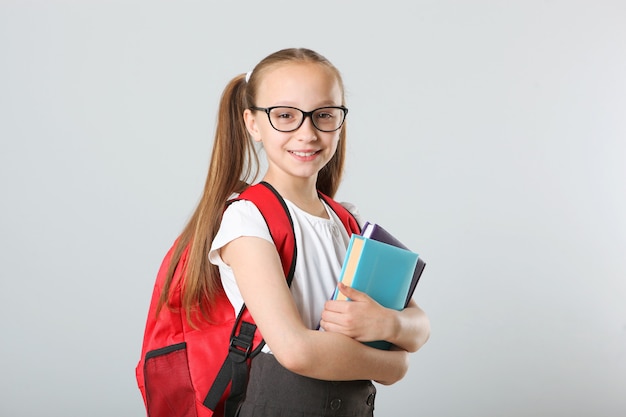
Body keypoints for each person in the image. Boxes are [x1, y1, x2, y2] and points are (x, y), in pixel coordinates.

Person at [159, 47, 430, 417]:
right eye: (285, 115)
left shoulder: (347, 222)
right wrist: (394, 365)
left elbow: (419, 326)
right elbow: (295, 350)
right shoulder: (248, 220)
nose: (307, 132)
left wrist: (389, 323)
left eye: (323, 115)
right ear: (253, 124)